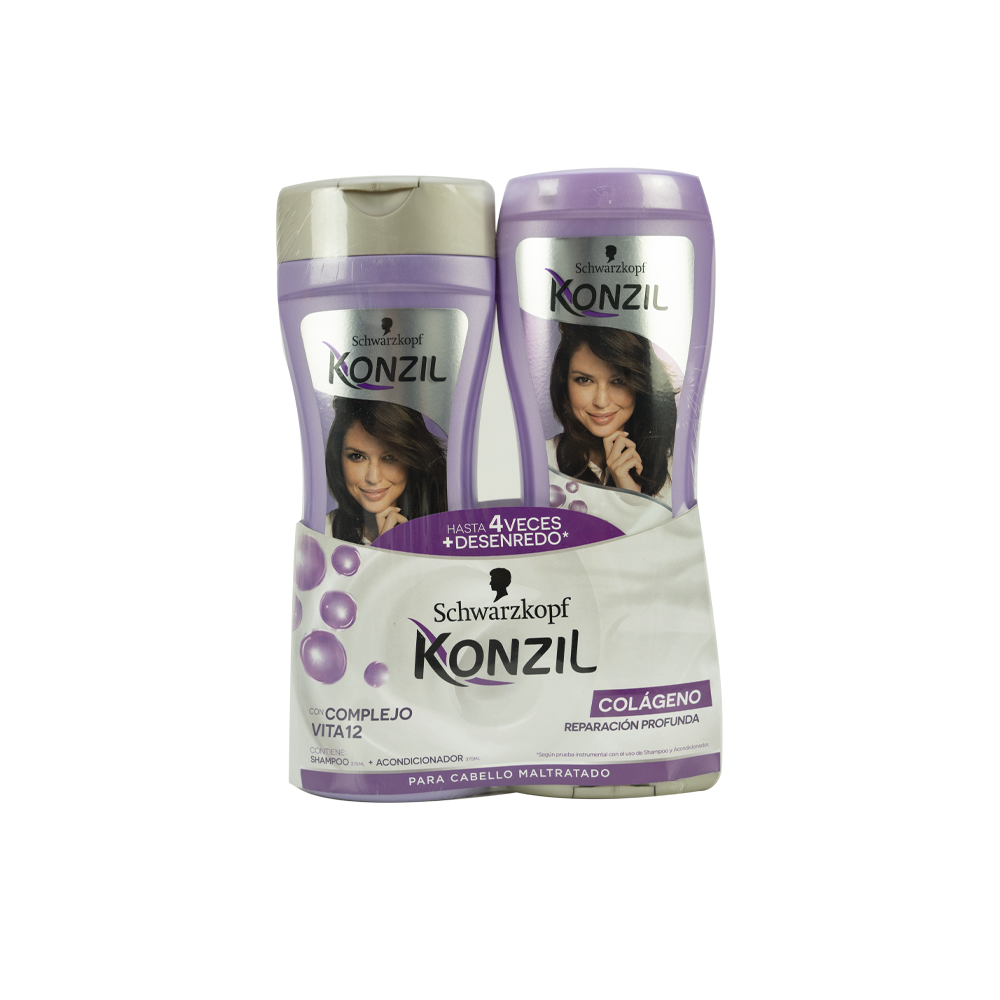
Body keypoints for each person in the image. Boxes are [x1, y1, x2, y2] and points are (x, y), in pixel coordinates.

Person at [547, 323, 677, 500]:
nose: (601, 402)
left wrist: (631, 498)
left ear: (641, 386)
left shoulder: (677, 472)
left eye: (618, 381)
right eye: (584, 380)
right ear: (564, 383)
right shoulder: (539, 461)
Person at [325, 399, 448, 543]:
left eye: (390, 457)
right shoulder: (322, 533)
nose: (373, 478)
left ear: (412, 460)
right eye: (357, 456)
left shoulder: (449, 530)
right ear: (338, 459)